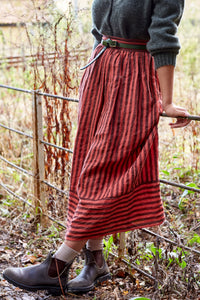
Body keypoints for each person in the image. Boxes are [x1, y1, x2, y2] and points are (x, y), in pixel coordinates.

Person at [3, 0, 190, 296]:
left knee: (102, 168)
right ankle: (96, 261)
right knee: (87, 164)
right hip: (99, 71)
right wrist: (96, 72)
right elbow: (97, 29)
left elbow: (163, 36)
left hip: (134, 76)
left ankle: (58, 265)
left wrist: (166, 101)